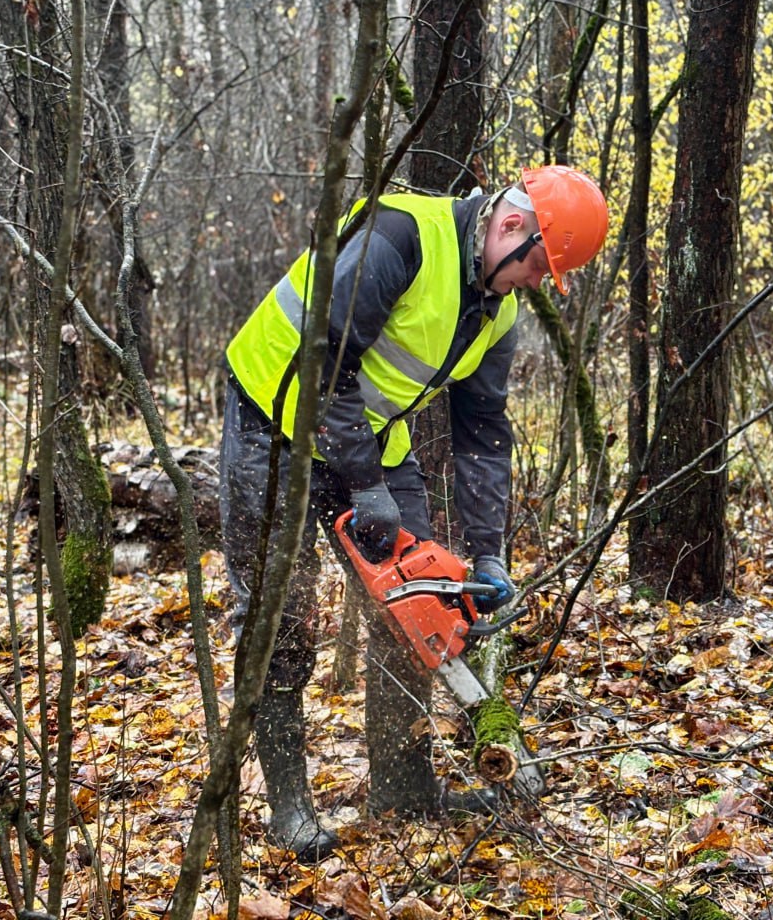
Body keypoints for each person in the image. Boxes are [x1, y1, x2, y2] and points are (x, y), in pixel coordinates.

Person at [218, 165, 608, 861]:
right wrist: (366, 485)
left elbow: (482, 432)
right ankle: (289, 806)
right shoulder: (400, 238)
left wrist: (487, 553)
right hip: (271, 420)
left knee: (421, 603)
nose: (533, 283)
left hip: (366, 437)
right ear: (510, 227)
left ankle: (403, 786)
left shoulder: (497, 311)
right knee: (282, 614)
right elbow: (322, 358)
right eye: (537, 267)